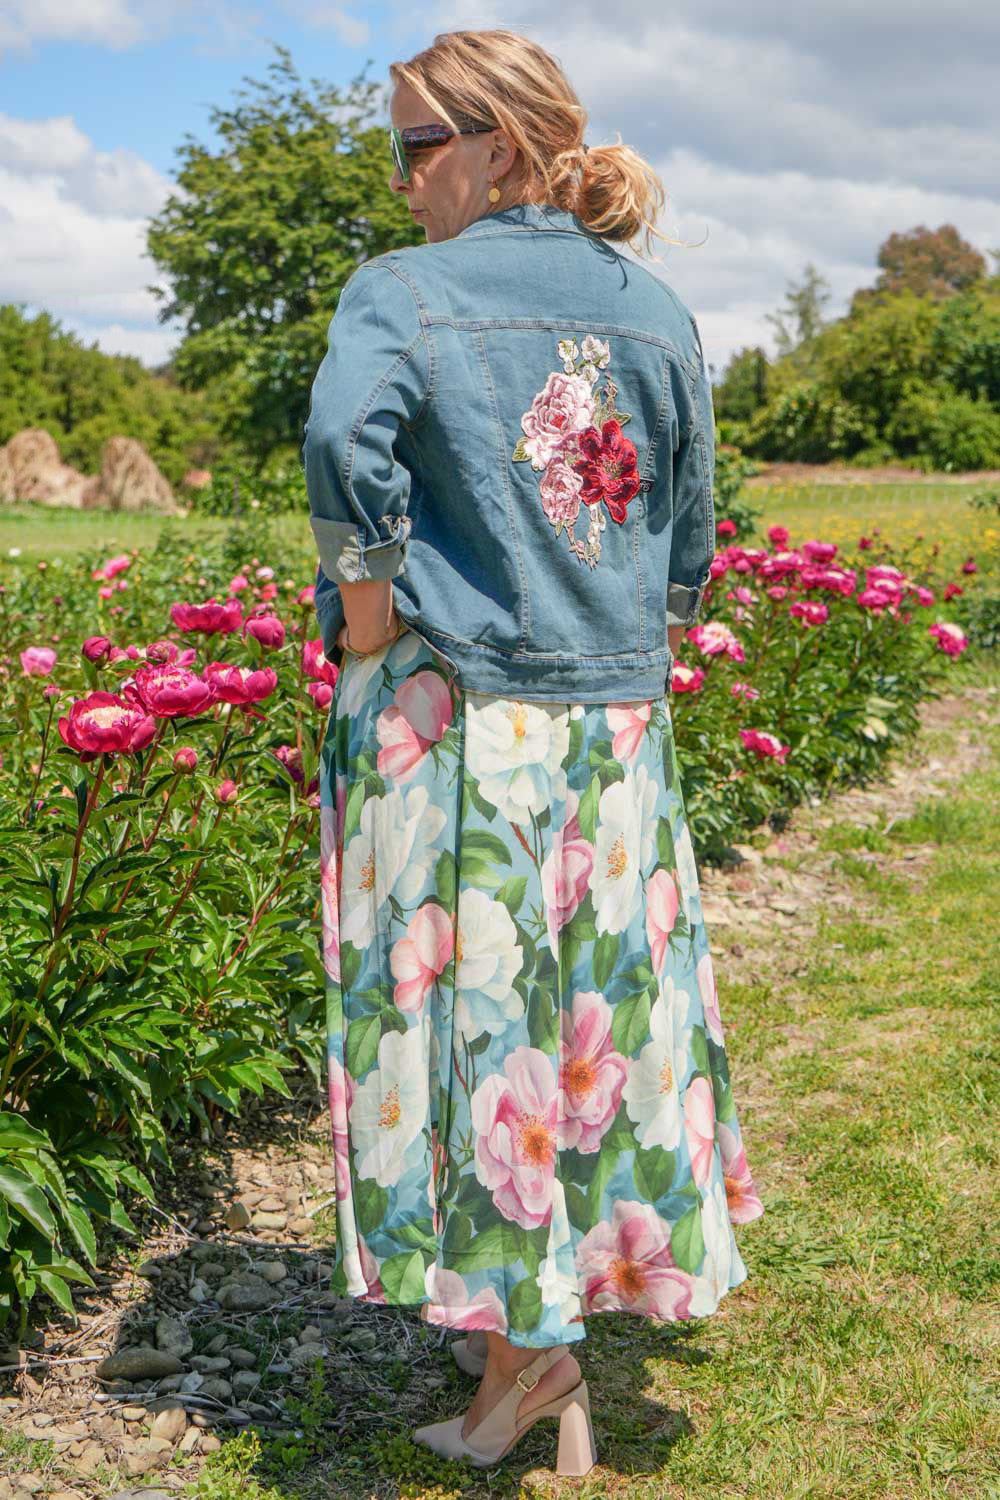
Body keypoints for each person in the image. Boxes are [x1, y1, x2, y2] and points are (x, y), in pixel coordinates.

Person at [303, 27, 764, 1478]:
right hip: (616, 737)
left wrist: (366, 624)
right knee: (594, 1029)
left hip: (462, 726)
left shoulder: (404, 293)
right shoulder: (656, 308)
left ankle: (526, 1360)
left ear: (498, 148)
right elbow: (689, 532)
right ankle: (529, 1321)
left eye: (415, 146)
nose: (401, 180)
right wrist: (624, 640)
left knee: (478, 1030)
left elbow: (344, 452)